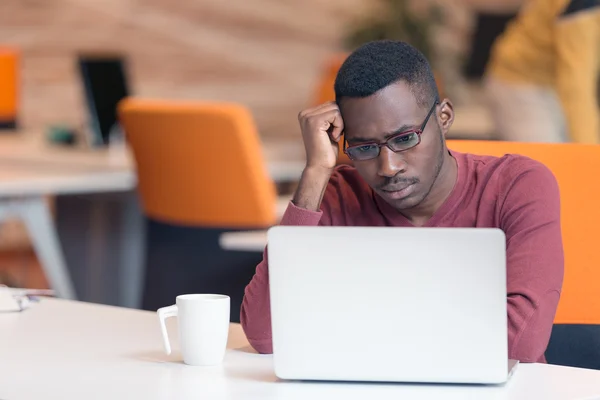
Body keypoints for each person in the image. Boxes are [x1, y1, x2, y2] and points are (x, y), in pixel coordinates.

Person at [241, 40, 564, 363]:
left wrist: (348, 328)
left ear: (445, 117)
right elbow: (265, 333)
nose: (388, 167)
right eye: (364, 148)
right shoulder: (337, 193)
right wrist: (315, 172)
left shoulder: (518, 185)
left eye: (405, 138)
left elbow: (518, 344)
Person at [484, 0, 600, 143]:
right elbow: (576, 83)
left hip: (554, 85)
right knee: (546, 160)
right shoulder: (582, 7)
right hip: (521, 85)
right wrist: (591, 152)